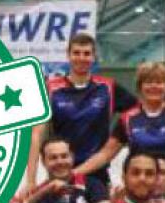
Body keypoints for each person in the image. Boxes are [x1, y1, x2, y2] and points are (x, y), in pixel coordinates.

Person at [74, 62, 165, 203]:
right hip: (139, 191)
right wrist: (74, 172)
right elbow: (105, 155)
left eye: (159, 82)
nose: (154, 86)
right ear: (140, 87)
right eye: (148, 82)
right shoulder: (128, 118)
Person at [28, 33, 138, 189]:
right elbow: (35, 134)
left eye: (87, 53)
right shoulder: (50, 88)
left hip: (97, 174)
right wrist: (31, 181)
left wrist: (117, 142)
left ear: (94, 57)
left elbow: (141, 114)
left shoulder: (108, 87)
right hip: (59, 171)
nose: (81, 58)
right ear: (68, 55)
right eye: (76, 53)